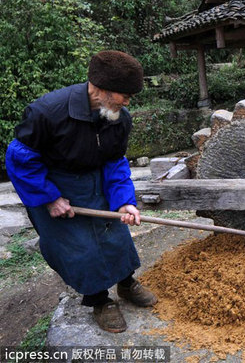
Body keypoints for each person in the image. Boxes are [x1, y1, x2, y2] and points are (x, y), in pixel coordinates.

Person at [5, 50, 157, 333]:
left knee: (116, 235)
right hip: (52, 185)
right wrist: (49, 198)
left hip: (96, 181)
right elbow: (20, 158)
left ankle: (126, 283)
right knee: (80, 249)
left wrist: (124, 201)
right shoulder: (47, 112)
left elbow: (115, 162)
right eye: (123, 94)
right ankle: (99, 299)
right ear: (98, 89)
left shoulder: (119, 118)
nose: (127, 102)